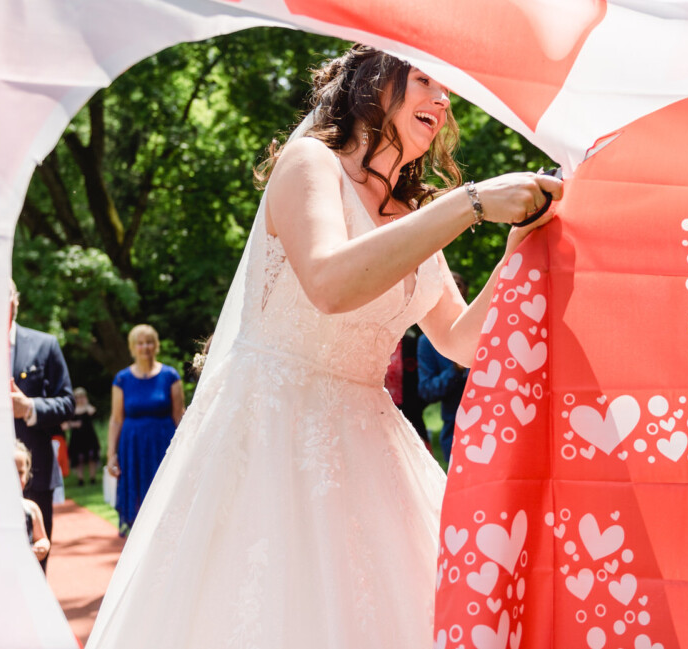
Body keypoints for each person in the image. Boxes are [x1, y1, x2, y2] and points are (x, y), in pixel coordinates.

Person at [85, 44, 561, 649]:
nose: (443, 100)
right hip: (271, 436)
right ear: (375, 82)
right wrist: (470, 205)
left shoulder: (411, 213)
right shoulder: (310, 163)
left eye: (447, 91)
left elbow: (460, 341)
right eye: (424, 80)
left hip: (371, 446)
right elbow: (330, 284)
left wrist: (518, 246)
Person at [8, 279, 74, 573]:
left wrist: (29, 408)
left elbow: (67, 403)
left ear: (16, 299)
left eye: (6, 295)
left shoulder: (45, 345)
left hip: (34, 472)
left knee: (36, 562)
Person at [106, 324, 184, 536]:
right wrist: (111, 454)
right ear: (133, 347)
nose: (145, 347)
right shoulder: (122, 379)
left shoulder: (170, 376)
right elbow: (116, 419)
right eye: (140, 343)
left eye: (149, 342)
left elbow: (179, 415)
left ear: (156, 345)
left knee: (166, 496)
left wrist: (187, 449)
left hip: (163, 444)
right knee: (138, 498)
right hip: (132, 447)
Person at [417, 273, 471, 462]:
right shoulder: (427, 342)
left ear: (465, 291)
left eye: (457, 284)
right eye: (445, 286)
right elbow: (427, 390)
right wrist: (455, 369)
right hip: (455, 430)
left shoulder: (485, 327)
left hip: (495, 420)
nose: (451, 290)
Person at [14, 440, 51, 565]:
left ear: (27, 474)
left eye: (20, 473)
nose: (15, 478)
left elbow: (42, 538)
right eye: (10, 472)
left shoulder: (31, 509)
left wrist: (42, 545)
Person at [64, 387, 101, 485]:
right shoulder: (72, 410)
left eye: (81, 397)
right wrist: (74, 424)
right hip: (77, 437)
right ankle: (80, 479)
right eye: (78, 397)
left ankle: (92, 478)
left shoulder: (88, 408)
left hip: (89, 436)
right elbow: (65, 425)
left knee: (92, 456)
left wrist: (86, 403)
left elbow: (93, 413)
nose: (80, 399)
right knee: (78, 458)